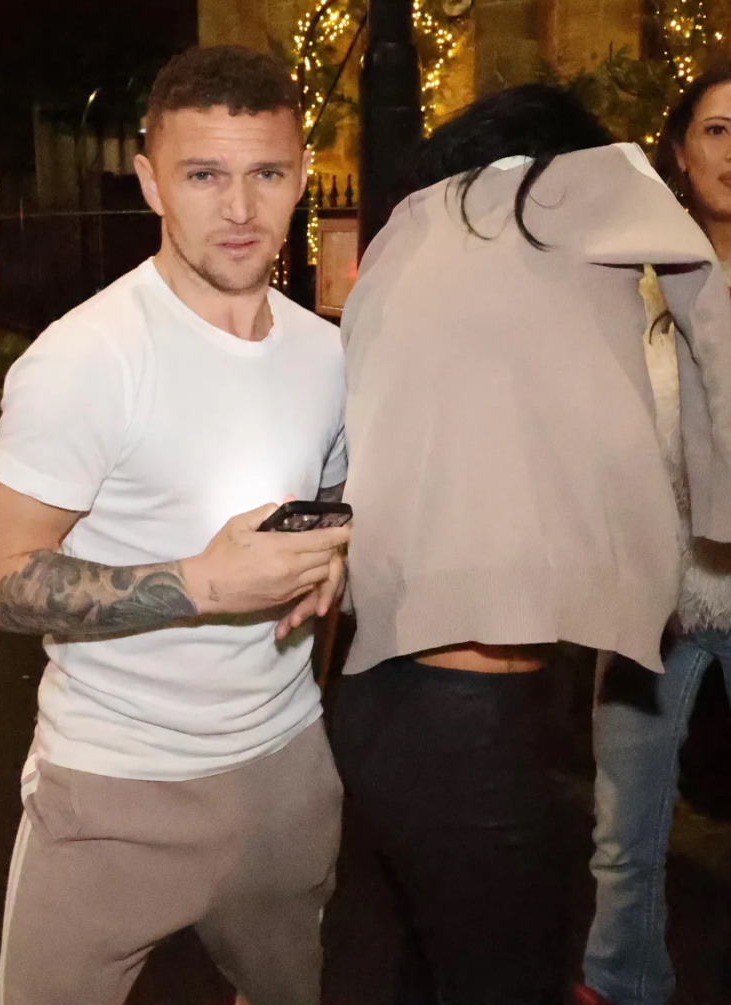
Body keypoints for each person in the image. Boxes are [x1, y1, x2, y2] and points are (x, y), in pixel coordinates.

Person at [0, 45, 349, 1005]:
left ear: (303, 174)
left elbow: (335, 504)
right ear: (149, 182)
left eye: (267, 174)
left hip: (285, 770)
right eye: (204, 175)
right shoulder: (87, 359)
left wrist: (333, 553)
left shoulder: (328, 353)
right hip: (113, 784)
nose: (240, 209)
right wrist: (203, 582)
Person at [330, 83, 731, 1005]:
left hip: (379, 699)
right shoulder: (592, 195)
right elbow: (712, 323)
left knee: (424, 968)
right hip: (475, 723)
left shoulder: (414, 245)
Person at [577, 66, 731, 1005]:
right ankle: (620, 983)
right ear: (679, 149)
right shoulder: (629, 283)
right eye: (717, 130)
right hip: (654, 591)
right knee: (624, 828)